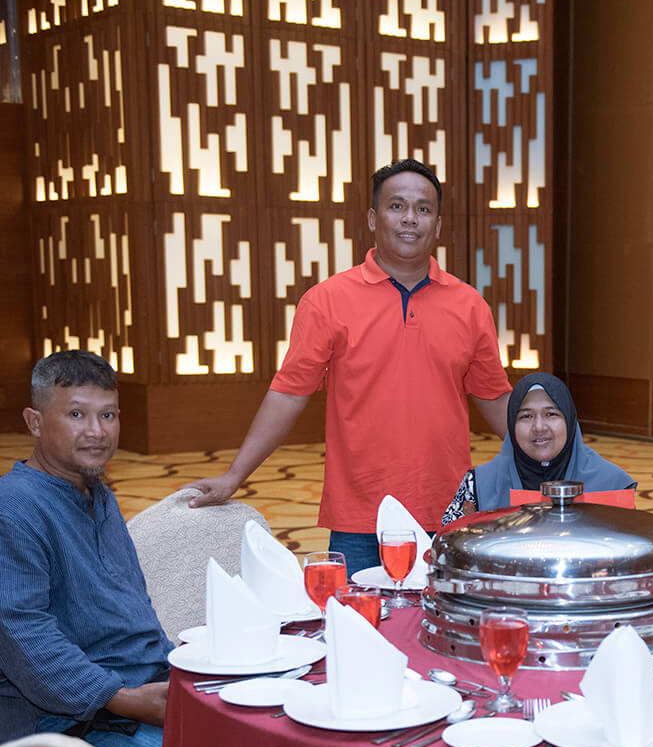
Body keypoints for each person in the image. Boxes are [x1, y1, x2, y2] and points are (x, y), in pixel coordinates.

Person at [185, 159, 512, 575]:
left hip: (445, 510)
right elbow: (288, 394)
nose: (410, 218)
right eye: (397, 206)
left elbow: (495, 398)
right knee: (355, 615)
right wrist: (235, 475)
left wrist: (556, 458)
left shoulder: (469, 306)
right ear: (374, 219)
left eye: (423, 209)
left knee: (436, 617)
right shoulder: (327, 301)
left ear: (438, 225)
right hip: (359, 518)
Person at [0, 350, 171, 747]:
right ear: (35, 422)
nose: (97, 431)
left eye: (107, 415)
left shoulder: (98, 493)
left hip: (137, 692)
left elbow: (132, 605)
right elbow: (24, 635)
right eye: (77, 414)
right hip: (65, 725)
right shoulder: (13, 507)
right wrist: (125, 698)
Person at [442, 372, 635, 523]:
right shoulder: (479, 485)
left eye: (551, 414)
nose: (539, 427)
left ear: (569, 420)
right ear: (512, 424)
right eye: (526, 416)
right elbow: (448, 548)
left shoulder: (612, 483)